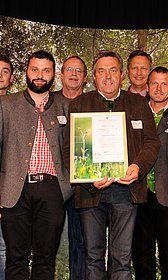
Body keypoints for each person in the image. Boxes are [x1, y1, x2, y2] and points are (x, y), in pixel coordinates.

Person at [62, 50, 160, 280]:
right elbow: (69, 150)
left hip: (127, 193)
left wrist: (137, 167)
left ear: (122, 75)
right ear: (94, 76)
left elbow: (152, 142)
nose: (108, 76)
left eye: (113, 70)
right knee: (93, 258)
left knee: (122, 260)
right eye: (102, 71)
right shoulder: (79, 105)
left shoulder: (137, 103)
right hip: (90, 192)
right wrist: (87, 178)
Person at [0, 50, 73, 279]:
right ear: (26, 73)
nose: (40, 75)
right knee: (15, 260)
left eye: (46, 70)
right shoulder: (5, 105)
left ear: (54, 75)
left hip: (53, 191)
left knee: (45, 261)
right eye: (35, 69)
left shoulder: (67, 106)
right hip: (14, 191)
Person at [132, 66, 168, 280]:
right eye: (154, 83)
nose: (159, 88)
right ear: (147, 86)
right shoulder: (135, 112)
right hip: (139, 194)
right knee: (142, 256)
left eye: (164, 84)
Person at [55, 55, 87, 280]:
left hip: (82, 186)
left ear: (85, 78)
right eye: (69, 70)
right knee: (47, 243)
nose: (74, 74)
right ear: (61, 74)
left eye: (79, 71)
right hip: (52, 184)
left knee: (81, 242)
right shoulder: (47, 100)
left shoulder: (92, 103)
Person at [0, 54, 14, 280]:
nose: (0, 75)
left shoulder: (15, 108)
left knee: (4, 249)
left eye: (5, 71)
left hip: (5, 191)